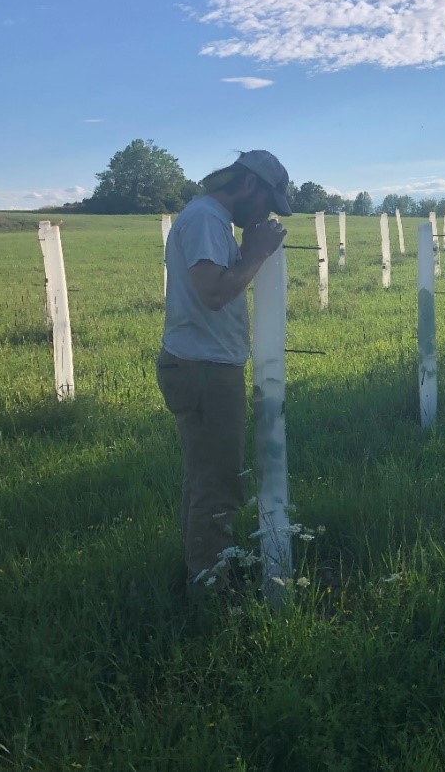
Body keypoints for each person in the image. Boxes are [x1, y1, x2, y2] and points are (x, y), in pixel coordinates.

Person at [156, 150, 291, 597]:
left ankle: (202, 575)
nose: (268, 213)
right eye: (268, 201)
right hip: (205, 371)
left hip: (203, 364)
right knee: (219, 486)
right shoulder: (207, 221)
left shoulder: (206, 218)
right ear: (249, 184)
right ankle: (211, 592)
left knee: (205, 479)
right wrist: (255, 254)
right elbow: (214, 292)